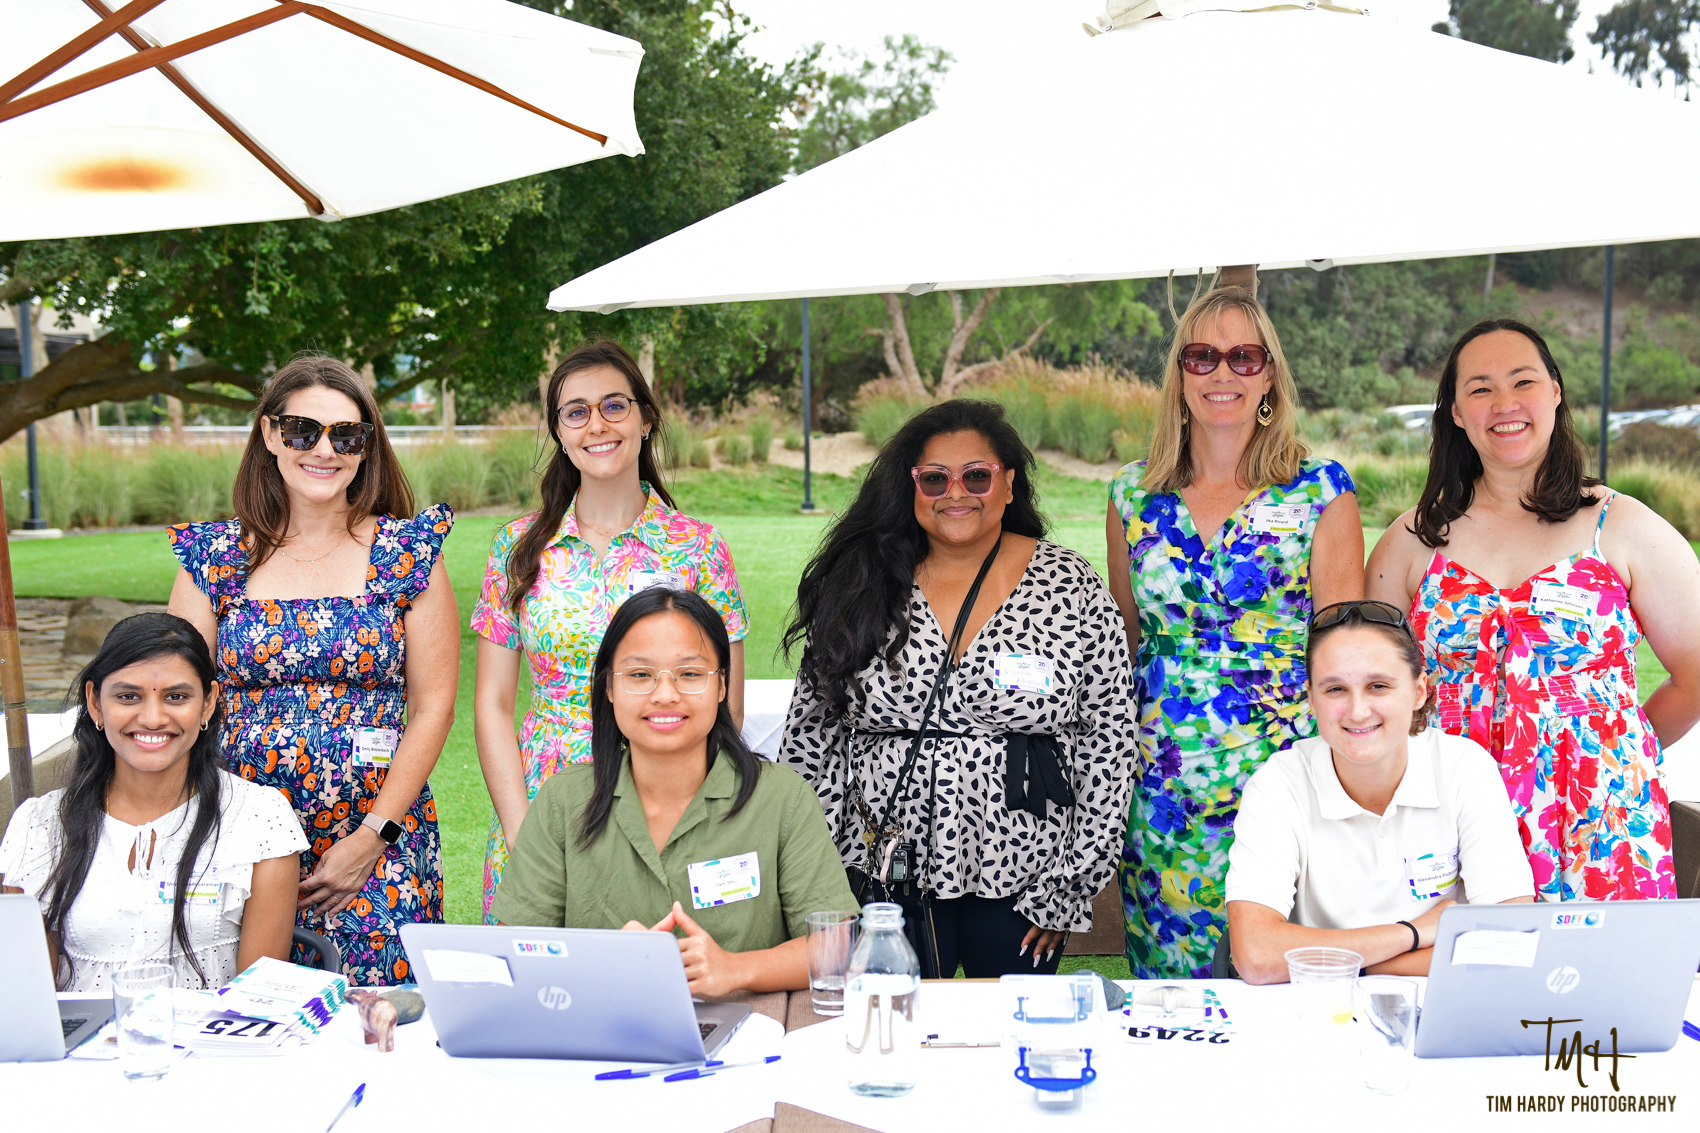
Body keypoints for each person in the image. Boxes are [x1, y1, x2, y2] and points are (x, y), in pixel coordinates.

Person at [782, 399, 1135, 979]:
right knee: (896, 1024)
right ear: (911, 486)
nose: (955, 493)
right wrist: (818, 876)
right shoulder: (862, 581)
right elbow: (811, 739)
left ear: (1008, 483)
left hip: (1027, 875)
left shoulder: (1069, 585)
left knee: (1012, 1028)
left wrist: (1068, 885)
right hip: (882, 867)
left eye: (976, 476)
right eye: (934, 478)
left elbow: (1110, 739)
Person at [1366, 318, 1700, 901]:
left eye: (1523, 381)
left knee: (1598, 963)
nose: (1505, 404)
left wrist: (1611, 744)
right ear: (1455, 412)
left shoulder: (1623, 527)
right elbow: (1369, 685)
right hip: (1446, 821)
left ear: (1555, 391)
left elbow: (1695, 674)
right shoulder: (1412, 541)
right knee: (1449, 959)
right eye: (1480, 388)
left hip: (1600, 822)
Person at [167, 354, 457, 985]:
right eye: (303, 431)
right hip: (236, 836)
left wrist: (372, 836)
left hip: (378, 840)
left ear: (366, 448)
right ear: (270, 435)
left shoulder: (408, 554)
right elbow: (176, 697)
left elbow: (433, 706)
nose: (324, 450)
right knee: (243, 1012)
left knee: (378, 1018)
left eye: (346, 436)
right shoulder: (214, 559)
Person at [1108, 285, 1364, 979]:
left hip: (1283, 779)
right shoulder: (1133, 494)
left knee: (1289, 985)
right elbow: (1124, 645)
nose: (1223, 373)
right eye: (1202, 356)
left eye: (1244, 357)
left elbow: (1346, 654)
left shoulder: (1319, 490)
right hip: (1162, 790)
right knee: (1174, 1001)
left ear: (1269, 376)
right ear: (1180, 374)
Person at [473, 341, 748, 922]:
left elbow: (727, 706)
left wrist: (678, 826)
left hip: (663, 806)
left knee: (656, 972)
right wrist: (523, 835)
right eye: (576, 412)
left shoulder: (698, 547)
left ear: (646, 419)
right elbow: (493, 704)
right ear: (559, 431)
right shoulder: (518, 548)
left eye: (614, 405)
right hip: (541, 804)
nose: (596, 424)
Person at [492, 588, 853, 995]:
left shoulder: (781, 798)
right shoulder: (564, 800)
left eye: (690, 674)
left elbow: (836, 944)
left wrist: (736, 969)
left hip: (752, 1026)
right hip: (603, 1028)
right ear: (609, 687)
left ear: (722, 686)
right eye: (640, 675)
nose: (665, 694)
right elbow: (513, 950)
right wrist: (601, 960)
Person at [1224, 601, 1535, 984]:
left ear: (1419, 691)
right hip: (1321, 1008)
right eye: (1336, 689)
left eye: (1378, 686)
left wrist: (1362, 966)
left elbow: (1510, 941)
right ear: (1312, 699)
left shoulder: (1464, 768)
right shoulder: (1278, 786)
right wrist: (1413, 933)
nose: (1357, 711)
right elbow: (1256, 955)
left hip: (1438, 1005)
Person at [0, 613, 307, 992]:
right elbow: (29, 999)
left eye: (176, 697)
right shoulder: (40, 824)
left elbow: (258, 998)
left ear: (208, 703)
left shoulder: (260, 818)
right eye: (128, 696)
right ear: (95, 703)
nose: (152, 718)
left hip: (212, 1031)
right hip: (82, 1034)